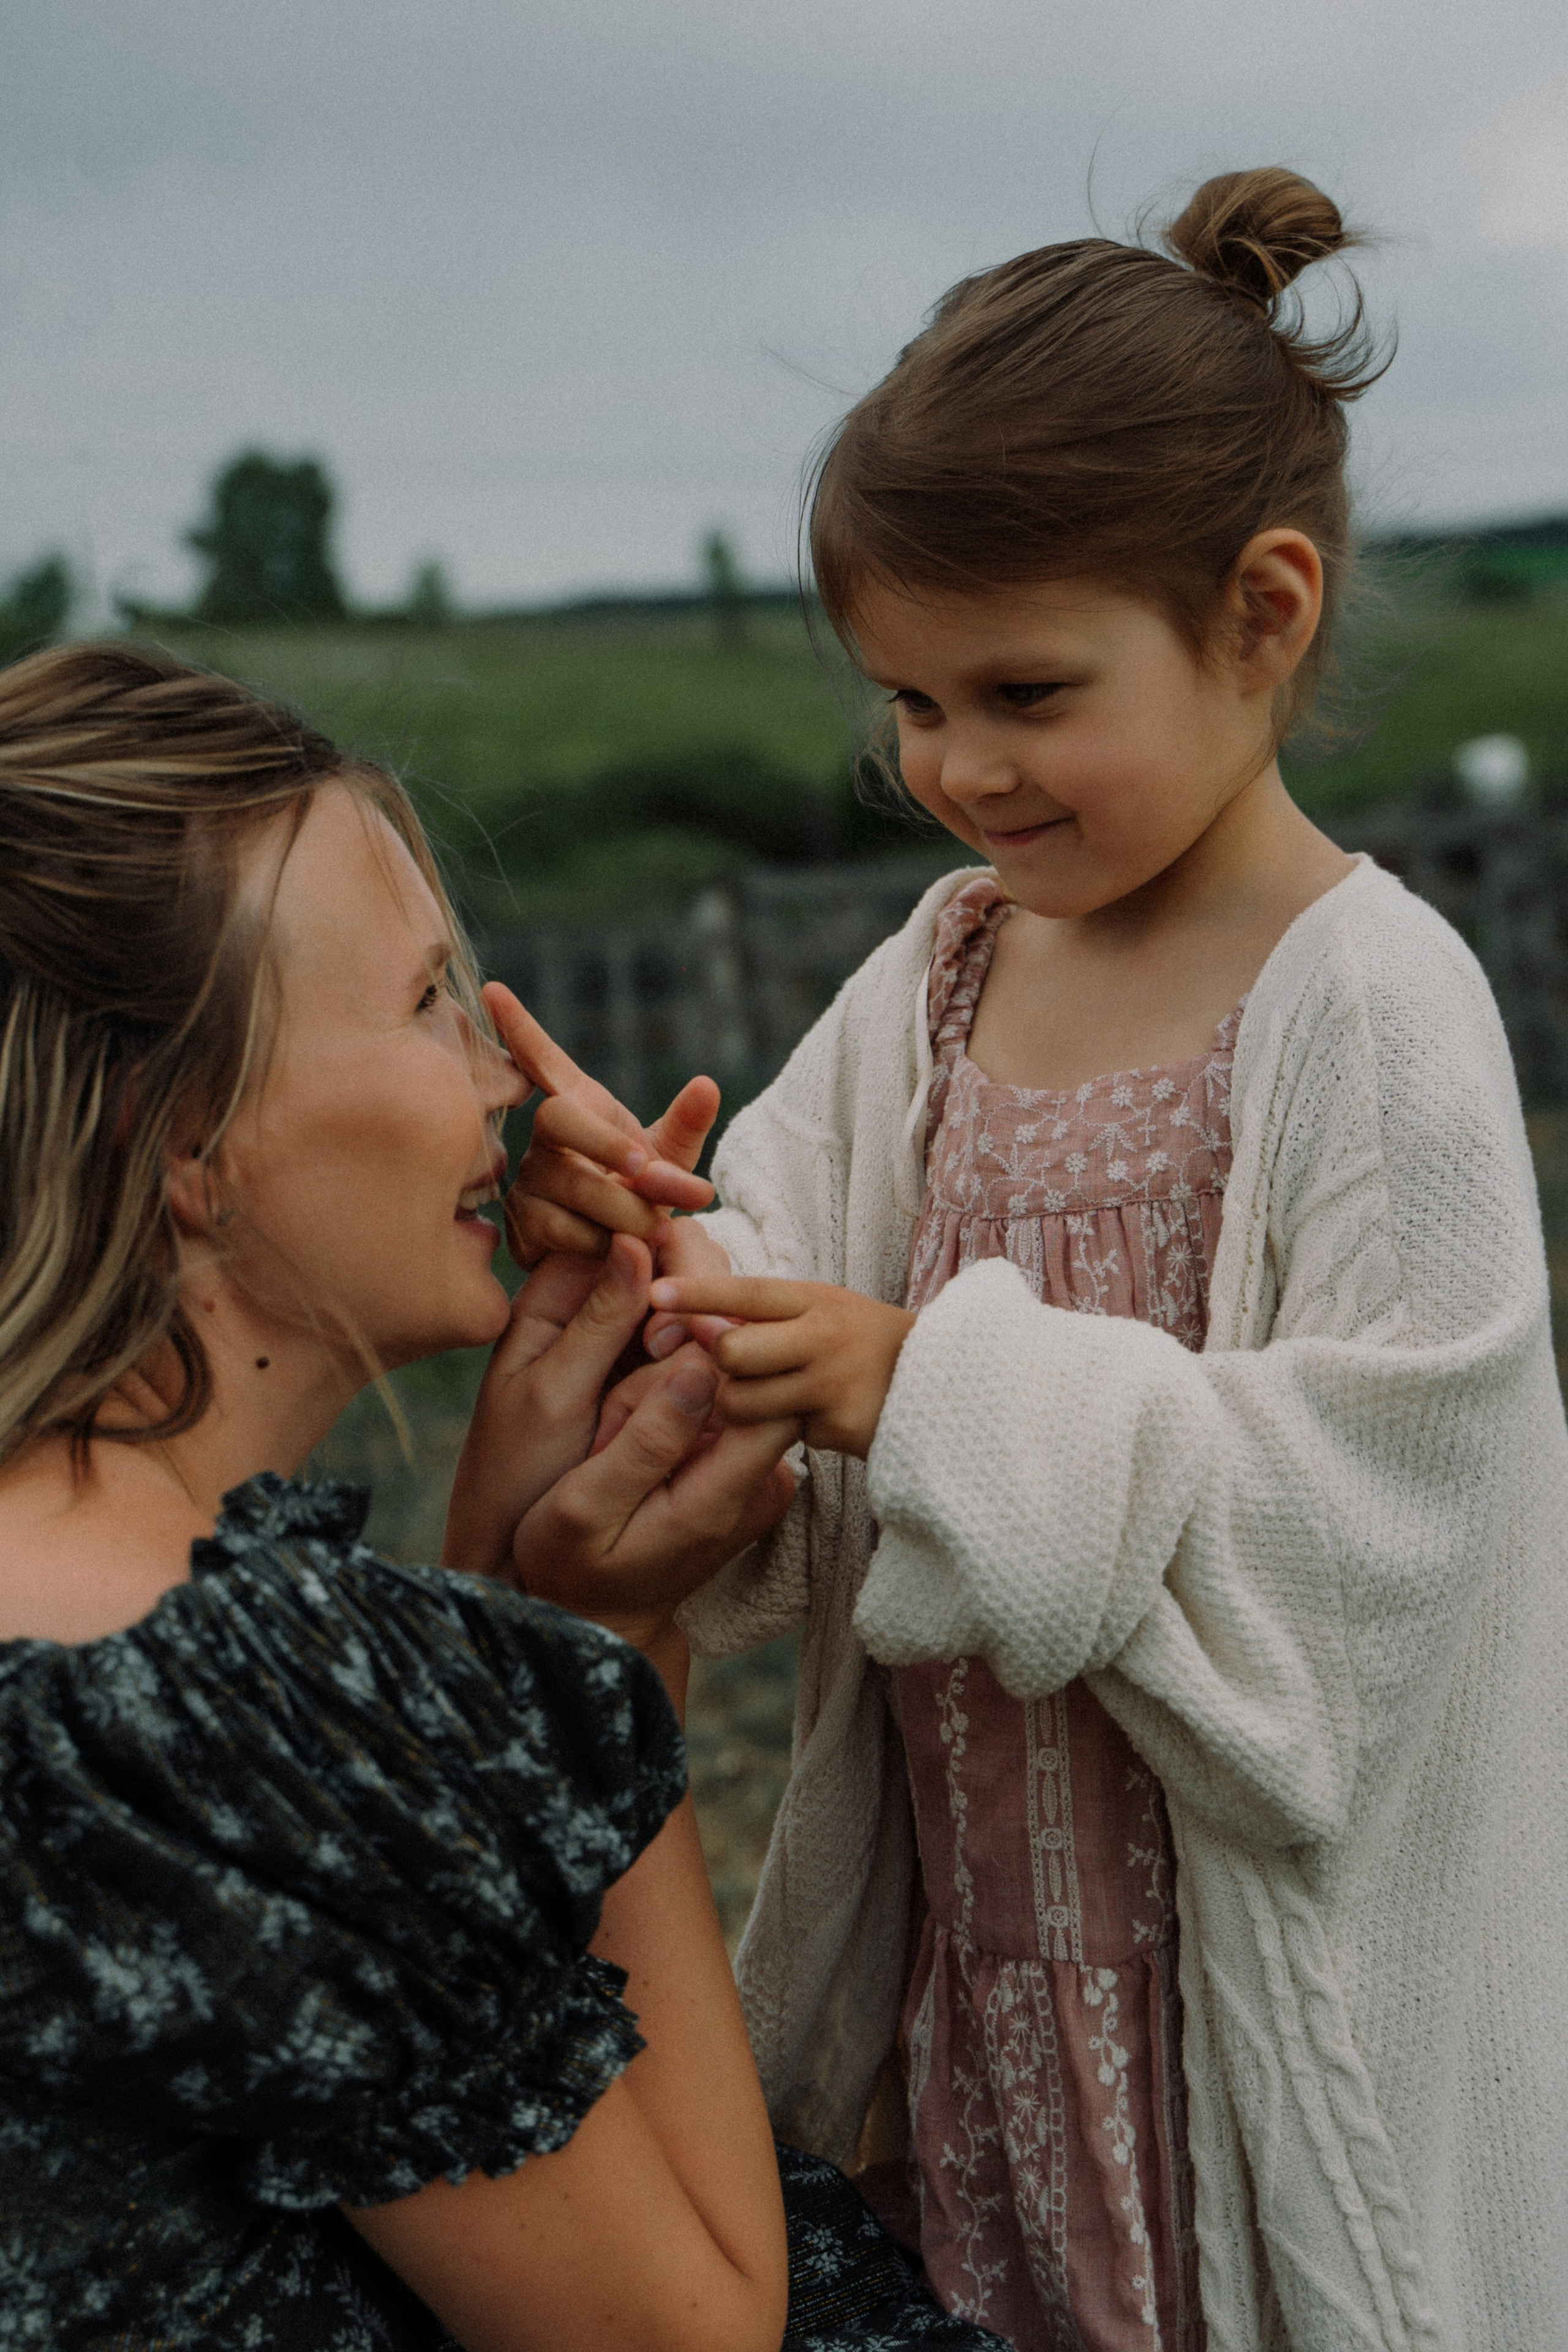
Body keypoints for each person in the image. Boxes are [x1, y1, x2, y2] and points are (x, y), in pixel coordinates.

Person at [506, 170, 1568, 2350]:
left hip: (1246, 2013)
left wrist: (932, 1393)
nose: (956, 770)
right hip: (976, 1981)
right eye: (905, 702)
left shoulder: (1375, 999)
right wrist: (653, 1260)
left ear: (1261, 613)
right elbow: (787, 1273)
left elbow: (1395, 1533)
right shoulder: (949, 976)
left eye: (1023, 691)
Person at [0, 643, 1011, 2352]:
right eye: (422, 1004)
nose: (500, 1077)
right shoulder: (215, 1706)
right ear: (181, 1136)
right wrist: (599, 1644)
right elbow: (693, 2327)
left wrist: (501, 1647)